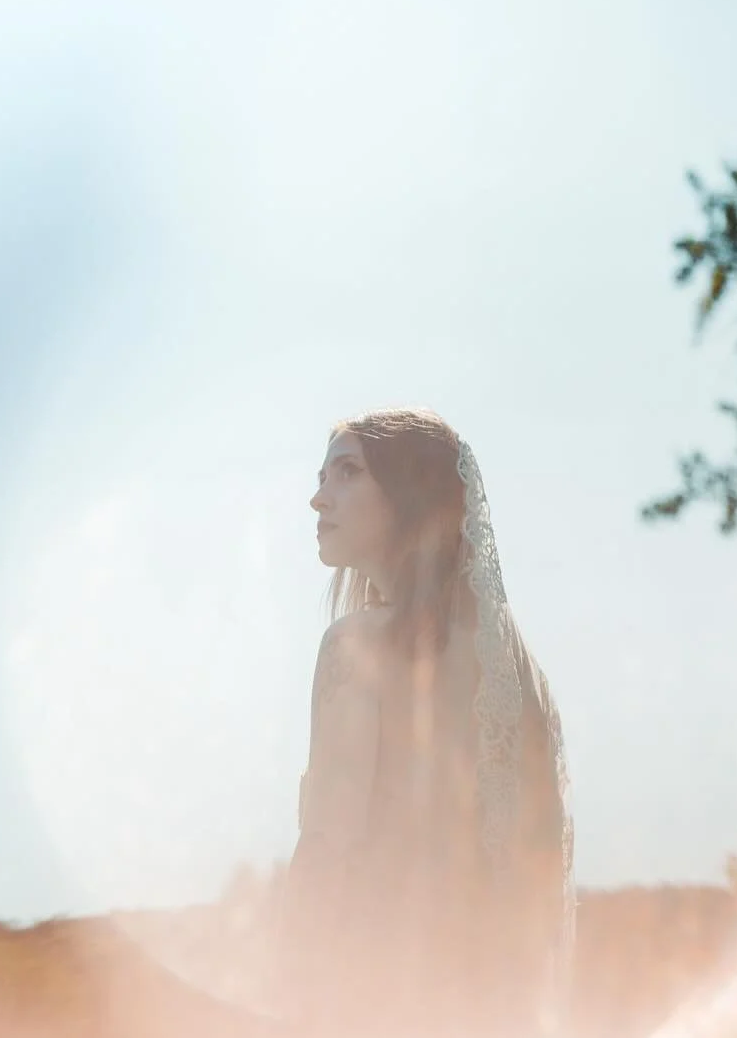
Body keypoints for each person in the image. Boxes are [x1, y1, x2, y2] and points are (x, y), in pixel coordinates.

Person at [272, 407, 577, 1038]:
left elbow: (328, 850)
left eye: (347, 472)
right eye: (322, 477)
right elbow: (537, 887)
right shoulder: (522, 681)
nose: (318, 498)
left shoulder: (357, 645)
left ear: (408, 490)